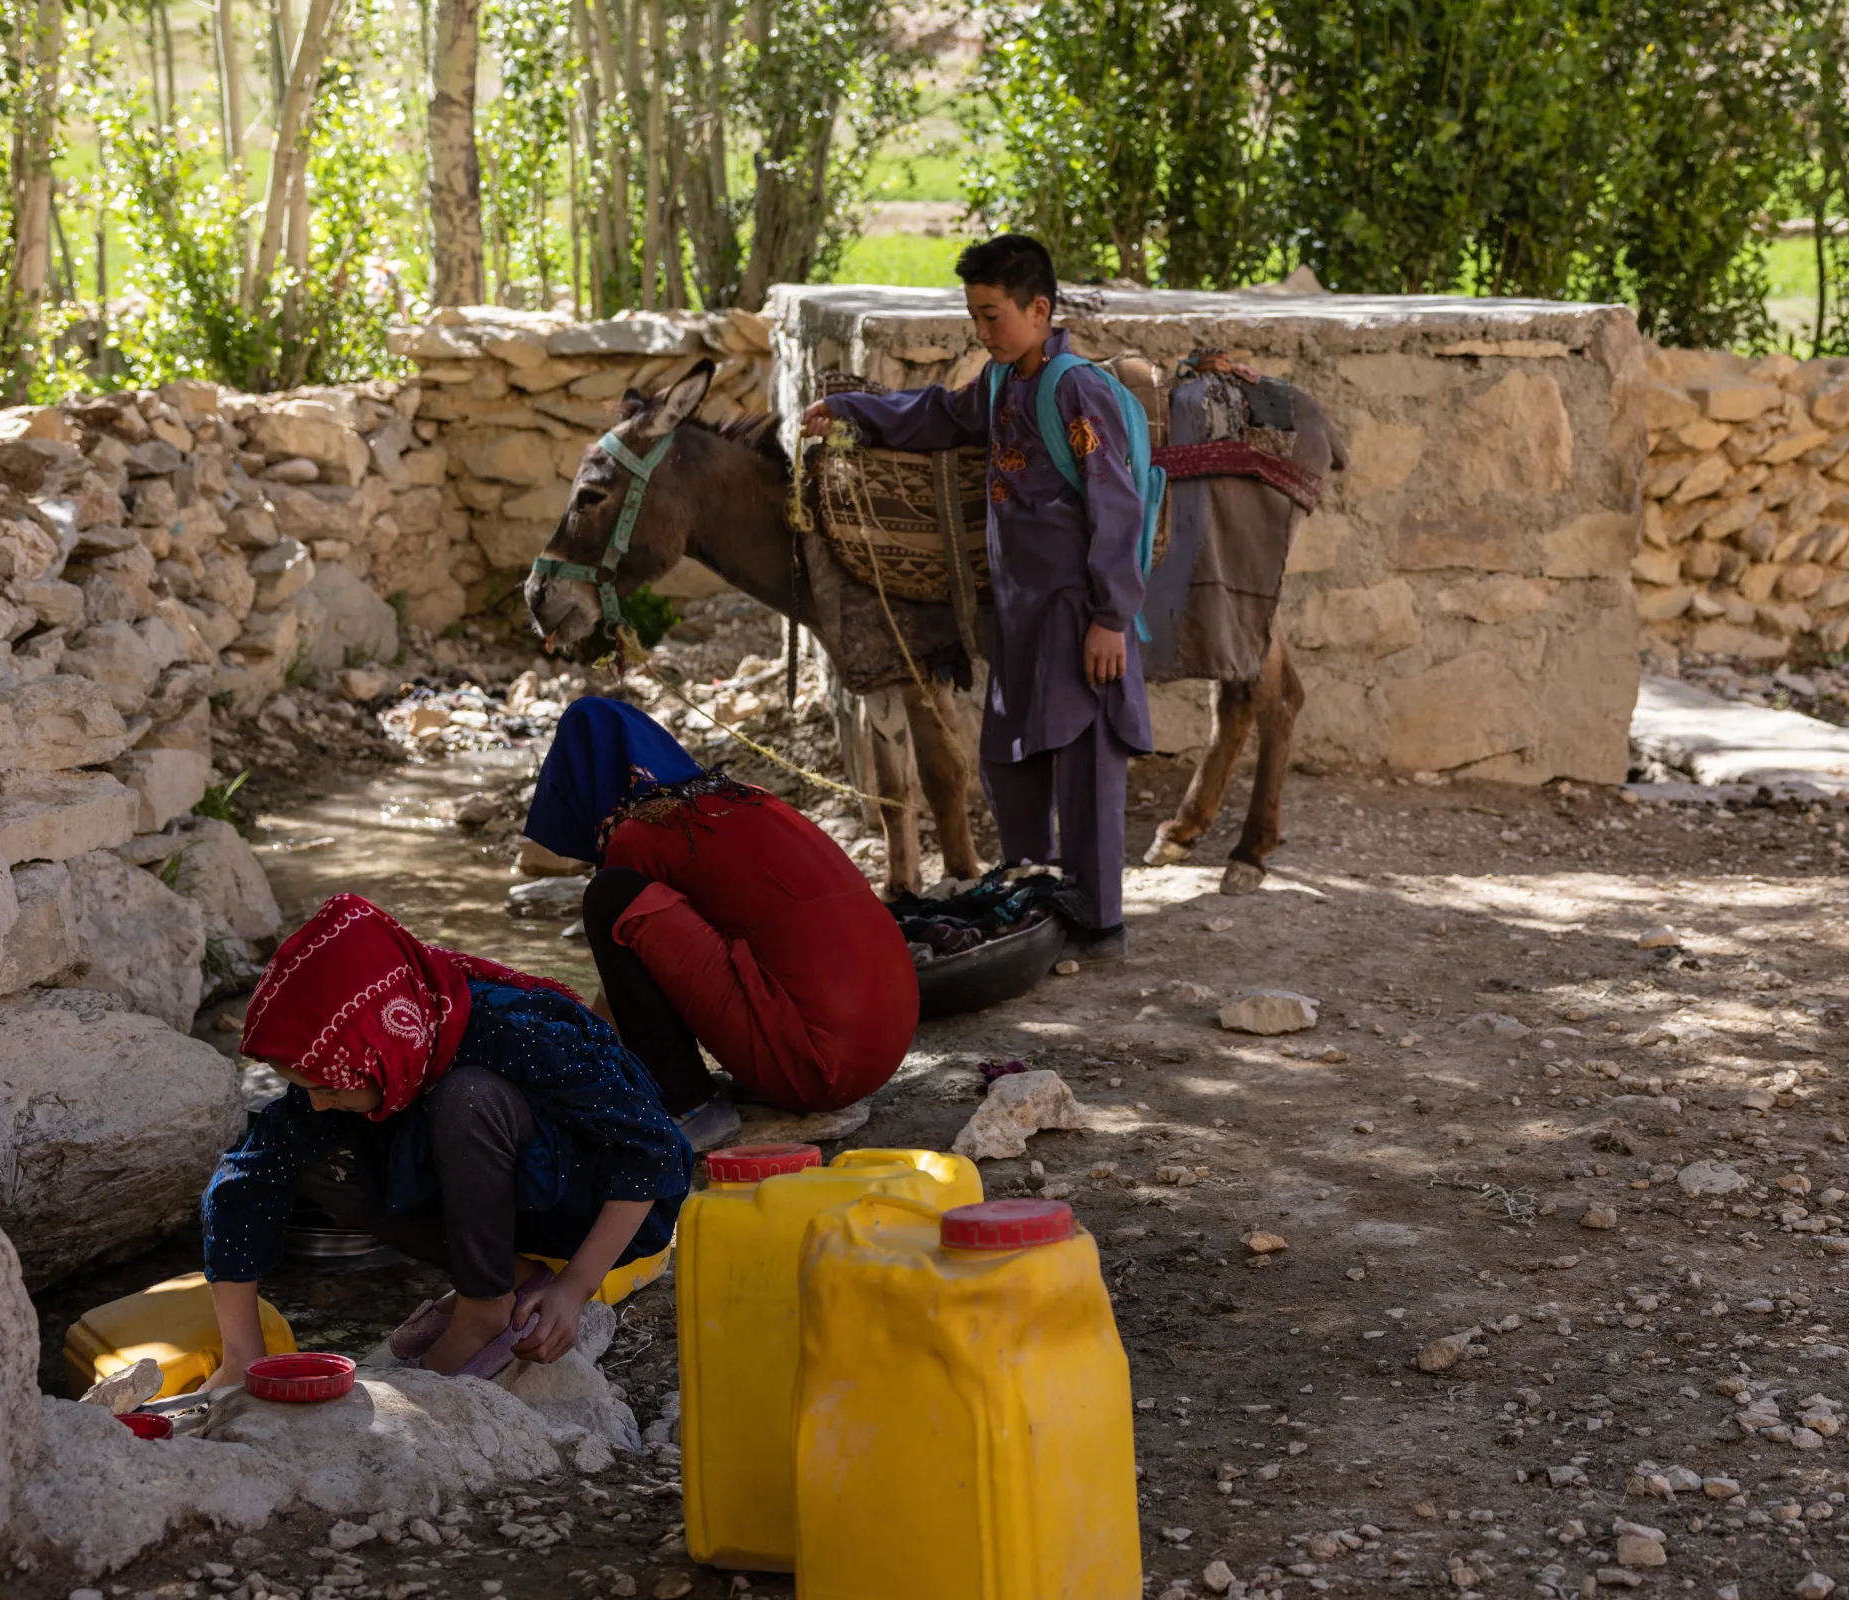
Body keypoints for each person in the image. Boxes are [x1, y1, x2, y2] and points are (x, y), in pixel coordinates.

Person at [800, 231, 1150, 963]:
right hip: (1017, 615)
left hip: (1076, 613)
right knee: (1010, 752)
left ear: (1040, 308)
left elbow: (1117, 506)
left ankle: (1101, 923)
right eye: (974, 316)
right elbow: (939, 416)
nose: (981, 331)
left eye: (993, 315)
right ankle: (1033, 893)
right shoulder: (998, 384)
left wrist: (1111, 618)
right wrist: (856, 413)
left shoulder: (1075, 389)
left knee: (1085, 761)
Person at [200, 893, 690, 1384]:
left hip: (589, 1199)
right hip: (502, 1204)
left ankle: (483, 1310)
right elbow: (246, 1178)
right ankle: (512, 1278)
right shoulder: (365, 1057)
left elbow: (653, 1150)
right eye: (312, 1088)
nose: (320, 1100)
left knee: (467, 1098)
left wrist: (577, 1285)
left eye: (330, 1087)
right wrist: (243, 1351)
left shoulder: (515, 1027)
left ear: (381, 1047)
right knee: (312, 1154)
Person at [524, 695, 920, 1150]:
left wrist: (567, 1063)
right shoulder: (745, 798)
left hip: (820, 1068)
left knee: (610, 897)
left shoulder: (637, 835)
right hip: (886, 1044)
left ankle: (690, 1103)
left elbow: (624, 986)